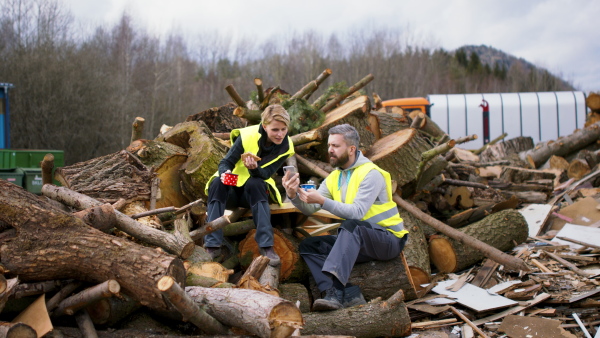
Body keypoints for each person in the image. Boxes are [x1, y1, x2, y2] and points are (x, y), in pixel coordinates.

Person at [282, 124, 409, 311]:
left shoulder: (371, 174)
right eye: (329, 145)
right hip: (358, 241)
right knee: (310, 246)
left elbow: (357, 213)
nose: (330, 151)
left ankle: (335, 292)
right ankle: (343, 293)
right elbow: (310, 209)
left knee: (352, 226)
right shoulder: (335, 177)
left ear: (351, 149)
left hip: (388, 240)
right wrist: (293, 195)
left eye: (335, 146)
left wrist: (323, 201)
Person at [204, 104, 295, 263]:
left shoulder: (286, 146)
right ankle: (212, 246)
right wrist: (226, 174)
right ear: (265, 126)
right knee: (218, 182)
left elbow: (266, 173)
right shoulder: (247, 136)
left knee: (256, 183)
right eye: (275, 130)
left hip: (253, 193)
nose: (280, 134)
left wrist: (254, 169)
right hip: (232, 188)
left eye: (283, 129)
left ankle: (266, 247)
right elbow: (225, 163)